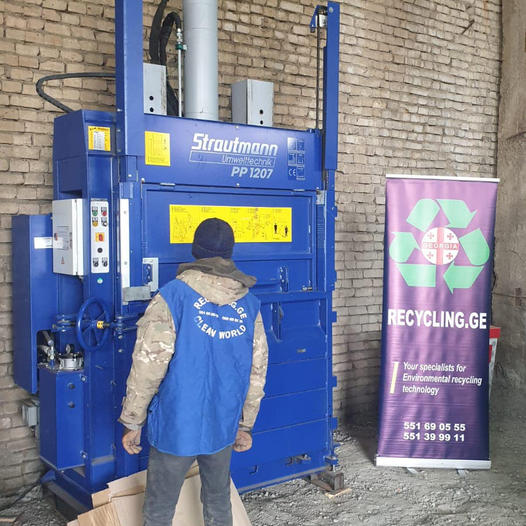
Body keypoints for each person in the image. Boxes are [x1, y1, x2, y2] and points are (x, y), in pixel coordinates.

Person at [119, 217, 269, 526]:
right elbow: (257, 370)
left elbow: (148, 365)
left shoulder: (172, 297)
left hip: (176, 424)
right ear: (230, 252)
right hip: (223, 422)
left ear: (195, 250)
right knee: (218, 501)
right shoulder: (249, 304)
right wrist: (246, 424)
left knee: (159, 510)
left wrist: (133, 420)